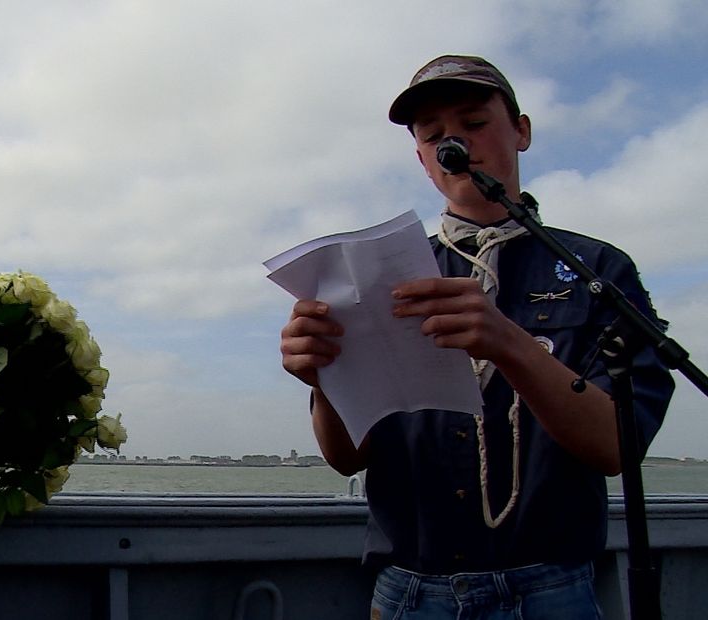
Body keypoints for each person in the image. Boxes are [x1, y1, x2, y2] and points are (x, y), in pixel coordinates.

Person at [280, 55, 674, 618]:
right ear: (421, 159)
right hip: (409, 592)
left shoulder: (598, 270)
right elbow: (347, 457)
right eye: (434, 136)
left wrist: (508, 343)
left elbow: (617, 447)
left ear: (522, 130)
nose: (452, 144)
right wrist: (322, 379)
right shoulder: (381, 278)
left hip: (550, 589)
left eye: (473, 123)